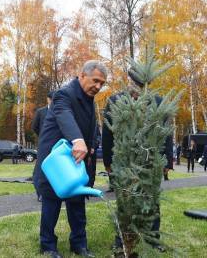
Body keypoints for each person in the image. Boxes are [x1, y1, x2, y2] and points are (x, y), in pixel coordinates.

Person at [33, 60, 107, 258]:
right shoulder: (64, 94)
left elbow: (89, 126)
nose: (98, 87)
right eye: (96, 80)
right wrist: (77, 140)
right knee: (52, 202)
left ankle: (79, 244)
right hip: (56, 160)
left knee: (77, 202)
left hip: (75, 159)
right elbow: (65, 116)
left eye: (102, 83)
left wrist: (91, 144)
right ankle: (48, 246)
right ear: (82, 75)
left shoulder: (88, 98)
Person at [102, 69, 173, 252]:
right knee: (124, 199)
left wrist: (167, 162)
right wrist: (108, 161)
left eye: (139, 83)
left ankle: (153, 238)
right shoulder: (115, 101)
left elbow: (166, 133)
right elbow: (107, 132)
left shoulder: (158, 102)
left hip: (151, 162)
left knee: (152, 198)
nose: (136, 87)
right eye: (133, 83)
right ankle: (122, 238)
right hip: (124, 160)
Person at [31, 91, 54, 202]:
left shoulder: (59, 111)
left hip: (56, 146)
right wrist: (43, 137)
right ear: (48, 99)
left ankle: (53, 192)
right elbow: (35, 126)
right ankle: (40, 193)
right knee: (41, 169)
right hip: (44, 145)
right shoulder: (41, 112)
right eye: (52, 100)